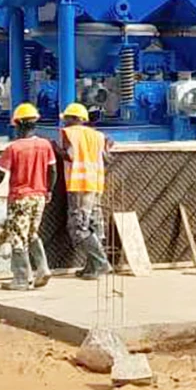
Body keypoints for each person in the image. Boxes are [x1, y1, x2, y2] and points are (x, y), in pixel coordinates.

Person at [0, 103, 55, 291]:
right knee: (31, 233)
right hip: (39, 197)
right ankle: (43, 269)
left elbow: (0, 174)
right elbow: (52, 169)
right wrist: (49, 190)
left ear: (18, 125)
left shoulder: (14, 148)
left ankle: (21, 279)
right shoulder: (45, 145)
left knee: (17, 238)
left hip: (20, 198)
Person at [58, 102, 112, 280]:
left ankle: (101, 262)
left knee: (78, 227)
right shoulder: (98, 135)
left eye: (66, 118)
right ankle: (92, 267)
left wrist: (55, 149)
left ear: (73, 119)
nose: (64, 122)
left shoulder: (69, 133)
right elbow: (108, 152)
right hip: (96, 184)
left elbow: (70, 155)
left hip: (79, 184)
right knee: (94, 225)